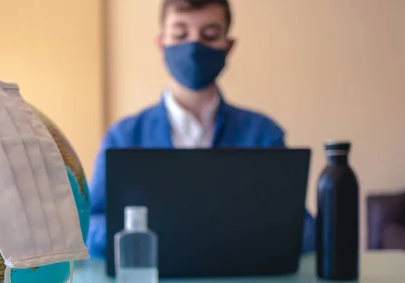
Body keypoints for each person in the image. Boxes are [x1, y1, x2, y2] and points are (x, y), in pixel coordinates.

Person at [87, 0, 315, 258]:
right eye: (181, 34)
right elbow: (89, 223)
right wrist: (145, 236)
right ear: (162, 43)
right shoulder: (123, 137)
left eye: (209, 34)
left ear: (228, 47)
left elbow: (303, 228)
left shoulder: (263, 134)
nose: (194, 46)